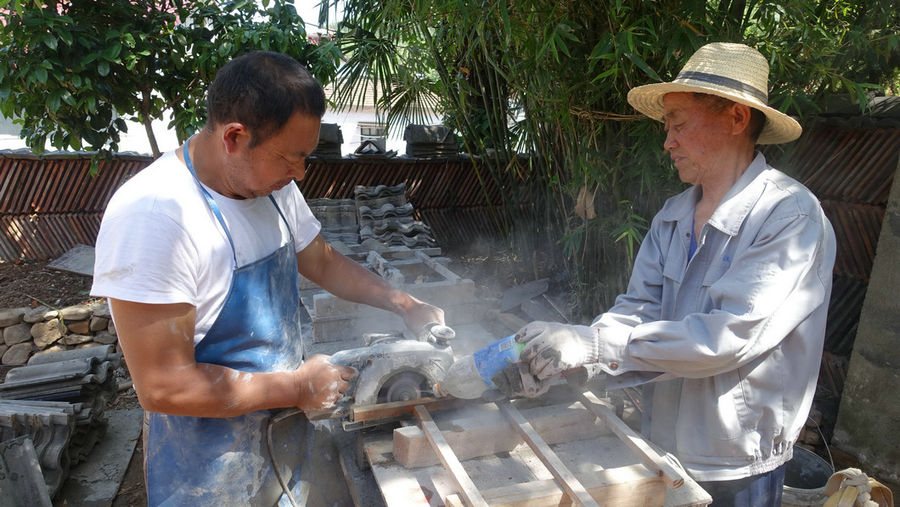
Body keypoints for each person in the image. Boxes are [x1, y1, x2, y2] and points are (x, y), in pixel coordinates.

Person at [91, 50, 445, 505]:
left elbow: (322, 261)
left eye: (305, 158)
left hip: (282, 432)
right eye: (289, 157)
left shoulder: (274, 188)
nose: (299, 173)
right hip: (207, 465)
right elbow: (164, 385)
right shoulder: (156, 216)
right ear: (234, 137)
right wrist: (297, 387)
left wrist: (404, 304)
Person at [496, 42, 836, 505]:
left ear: (737, 119)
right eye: (667, 128)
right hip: (660, 440)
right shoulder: (674, 215)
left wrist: (593, 343)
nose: (667, 141)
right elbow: (637, 310)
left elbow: (729, 338)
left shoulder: (789, 216)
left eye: (678, 125)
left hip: (734, 462)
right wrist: (572, 356)